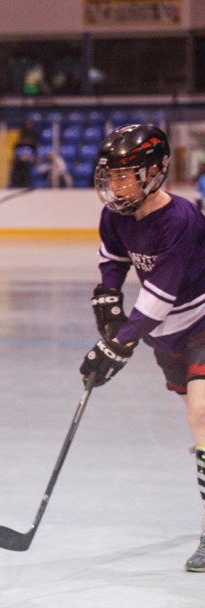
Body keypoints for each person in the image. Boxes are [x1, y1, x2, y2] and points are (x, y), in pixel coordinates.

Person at [77, 124, 205, 572]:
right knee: (197, 416)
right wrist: (108, 296)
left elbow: (160, 296)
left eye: (125, 175)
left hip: (201, 321)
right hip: (167, 336)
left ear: (154, 173)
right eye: (110, 176)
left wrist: (117, 344)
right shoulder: (115, 215)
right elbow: (112, 259)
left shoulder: (181, 220)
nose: (115, 185)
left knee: (201, 413)